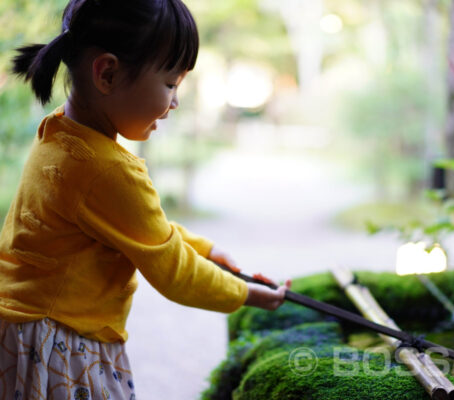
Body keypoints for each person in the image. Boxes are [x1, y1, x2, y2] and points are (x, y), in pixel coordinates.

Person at [0, 0, 290, 398]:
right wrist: (248, 294)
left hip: (22, 329)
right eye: (170, 83)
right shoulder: (107, 170)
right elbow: (174, 273)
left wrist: (205, 249)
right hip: (61, 344)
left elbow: (141, 228)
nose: (174, 102)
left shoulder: (60, 135)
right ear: (108, 73)